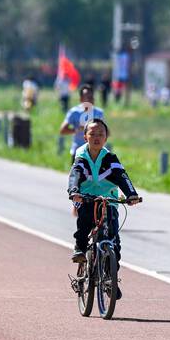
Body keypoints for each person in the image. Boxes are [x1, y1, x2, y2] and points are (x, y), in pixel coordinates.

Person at [67, 118, 142, 289]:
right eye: (92, 134)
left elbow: (122, 177)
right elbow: (75, 175)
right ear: (85, 137)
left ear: (106, 138)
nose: (97, 137)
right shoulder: (81, 157)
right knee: (85, 222)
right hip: (85, 198)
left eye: (101, 134)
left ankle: (110, 279)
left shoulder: (110, 158)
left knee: (113, 238)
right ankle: (80, 248)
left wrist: (131, 194)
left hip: (109, 200)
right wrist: (74, 192)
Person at [60, 83, 104, 157]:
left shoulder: (99, 112)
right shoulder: (74, 112)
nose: (90, 99)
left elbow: (107, 133)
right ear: (81, 99)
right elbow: (62, 130)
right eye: (87, 97)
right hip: (78, 152)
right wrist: (77, 130)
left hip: (95, 154)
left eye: (91, 96)